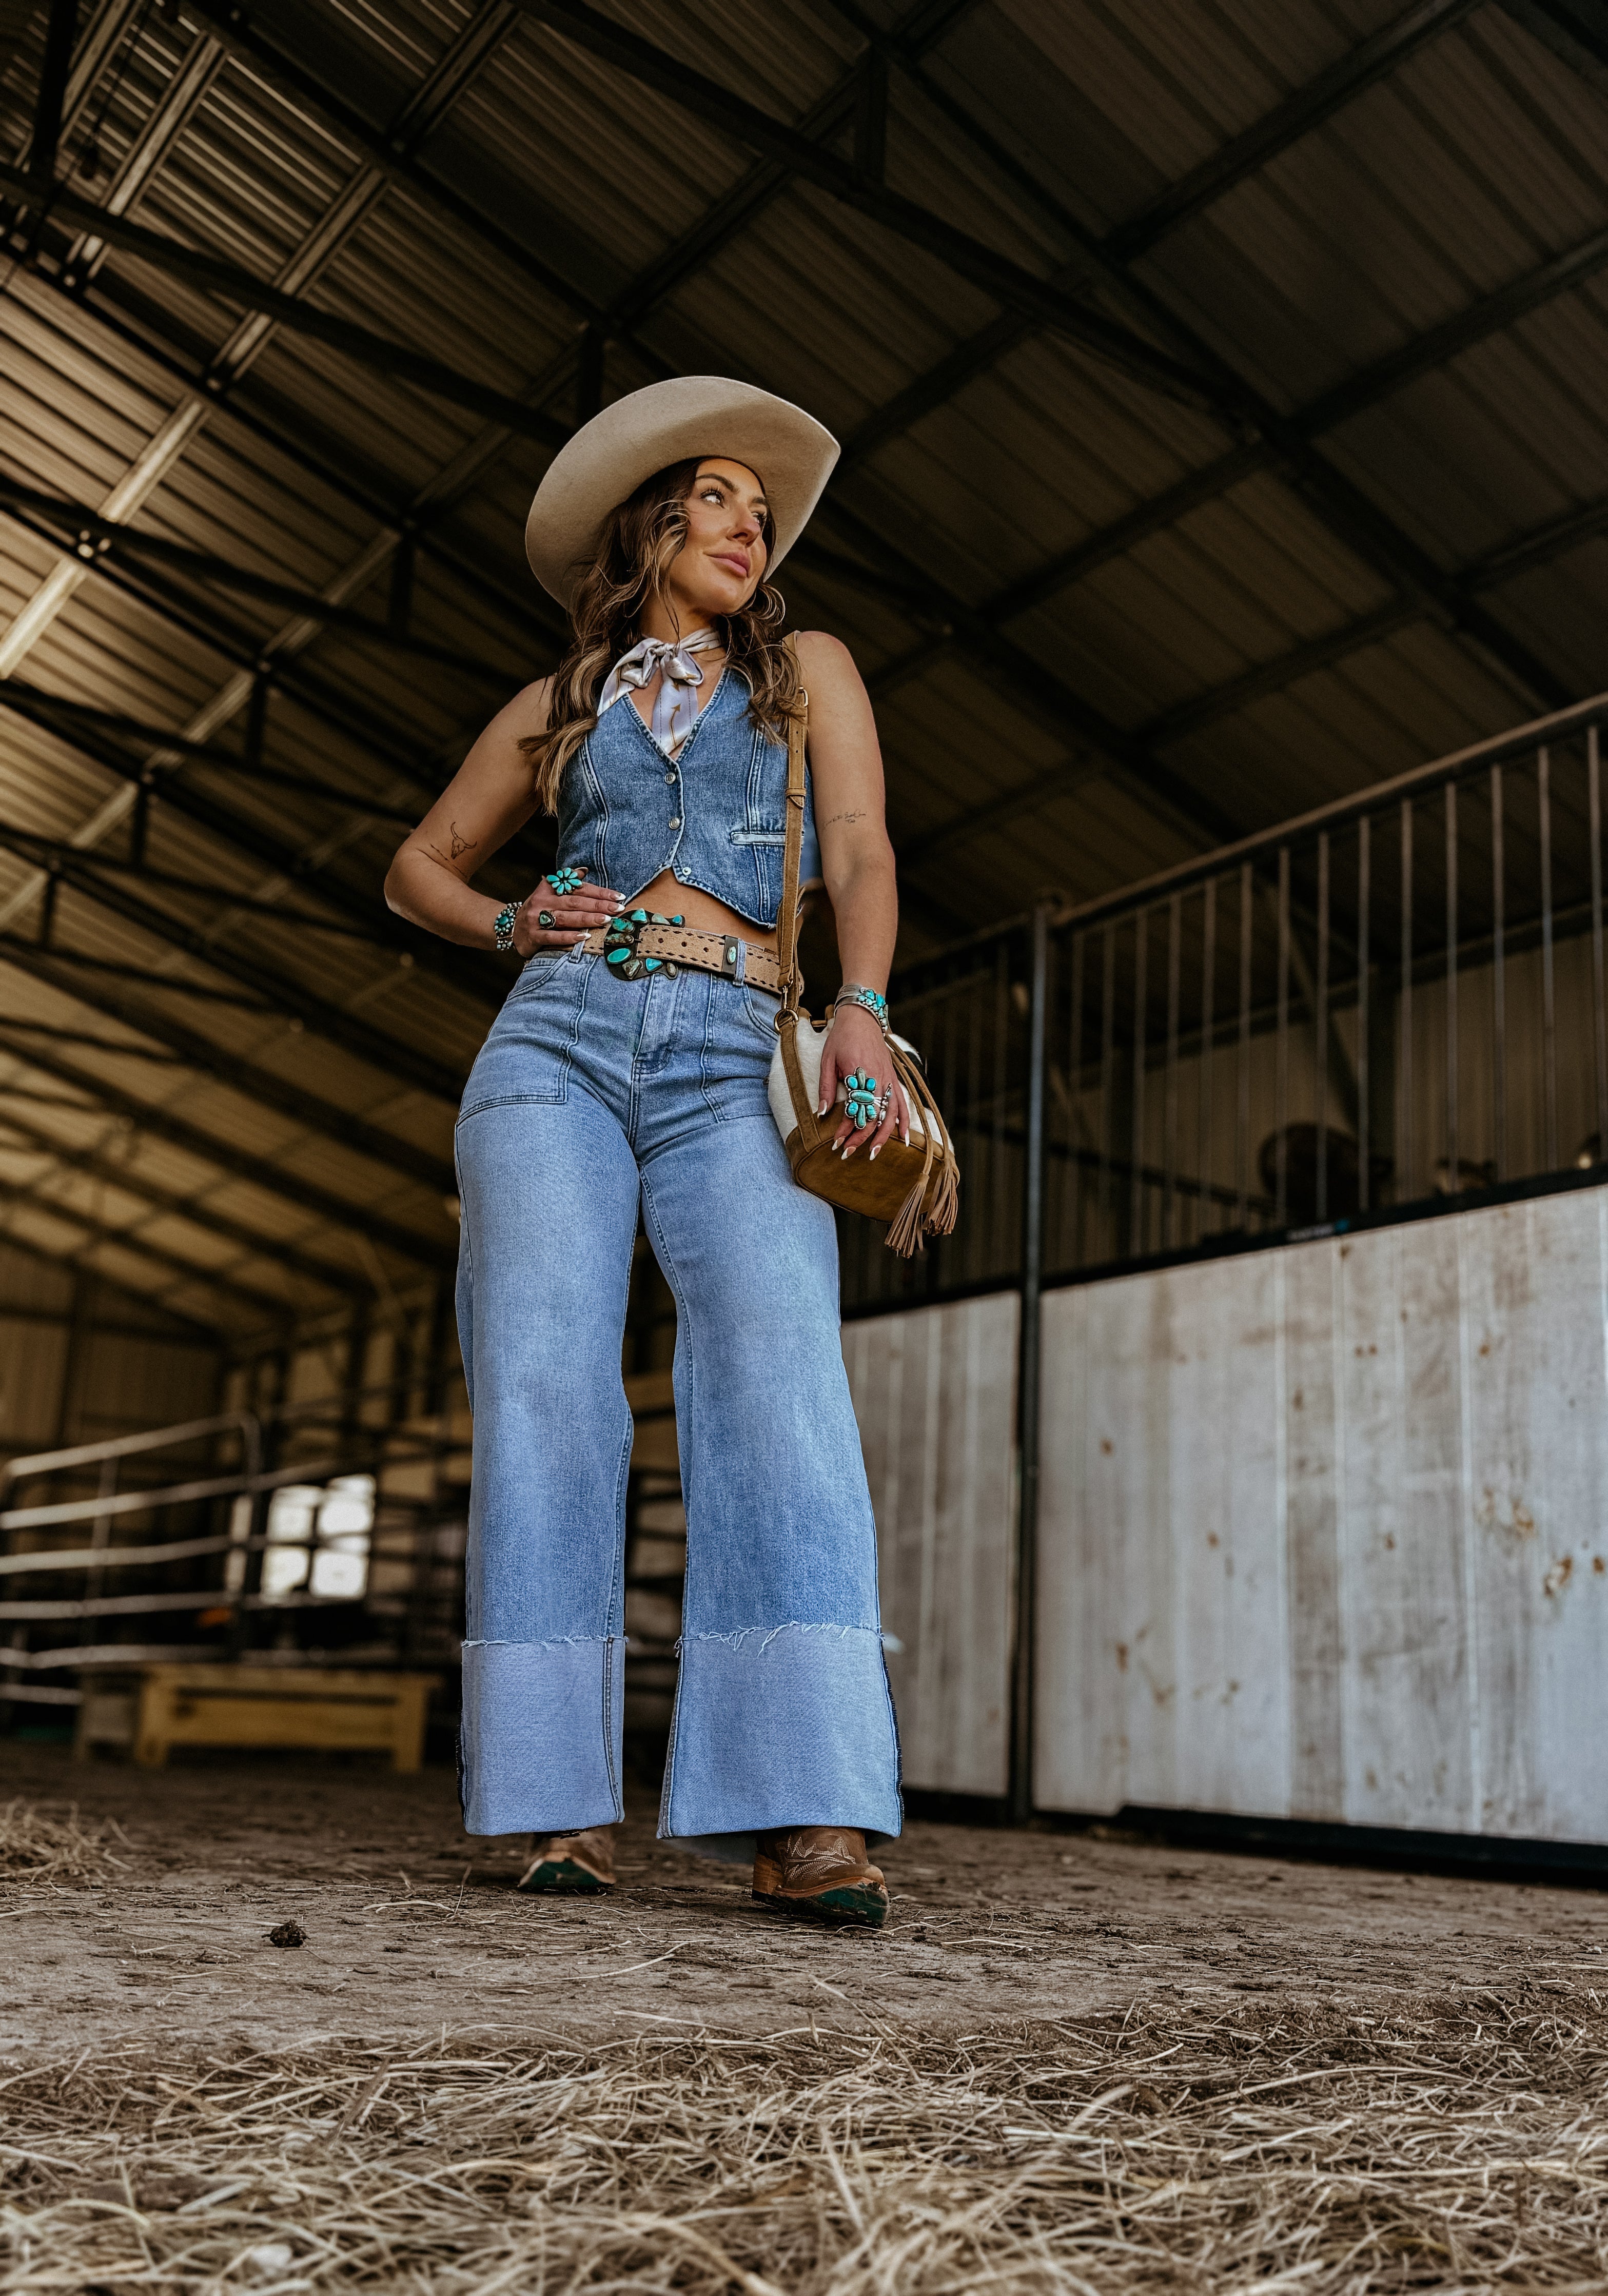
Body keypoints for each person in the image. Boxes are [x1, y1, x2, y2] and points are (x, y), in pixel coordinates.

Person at [385, 377, 908, 1929]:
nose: (750, 523)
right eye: (722, 495)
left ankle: (804, 1803)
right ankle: (551, 1805)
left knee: (778, 1371)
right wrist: (500, 918)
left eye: (764, 509)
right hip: (551, 1040)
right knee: (543, 1381)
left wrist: (866, 1006)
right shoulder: (562, 700)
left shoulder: (810, 670)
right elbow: (414, 861)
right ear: (656, 519)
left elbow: (865, 846)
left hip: (738, 1044)